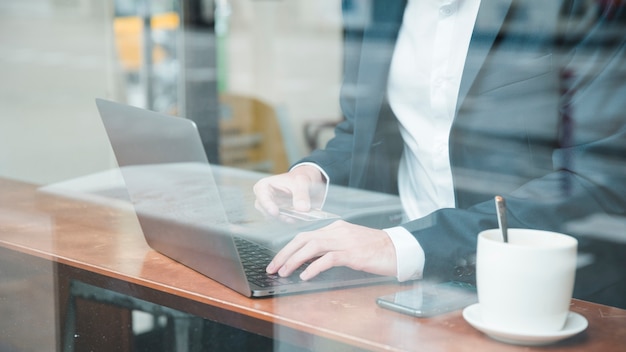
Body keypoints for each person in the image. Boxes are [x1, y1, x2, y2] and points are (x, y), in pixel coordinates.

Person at [253, 0, 626, 308]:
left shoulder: (581, 7)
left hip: (543, 298)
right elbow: (366, 132)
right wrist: (315, 174)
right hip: (397, 290)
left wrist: (404, 245)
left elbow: (597, 181)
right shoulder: (376, 9)